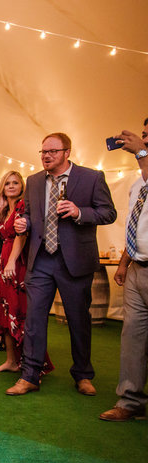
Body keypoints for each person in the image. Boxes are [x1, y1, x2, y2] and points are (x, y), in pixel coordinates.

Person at [6, 132, 116, 396]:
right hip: (41, 260)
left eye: (52, 152)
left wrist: (80, 212)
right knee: (33, 321)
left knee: (79, 321)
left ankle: (83, 375)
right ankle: (30, 375)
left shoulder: (91, 178)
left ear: (67, 152)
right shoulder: (33, 181)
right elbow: (31, 217)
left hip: (75, 262)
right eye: (43, 152)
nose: (46, 156)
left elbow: (108, 212)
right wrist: (24, 223)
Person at [100, 119, 148, 421]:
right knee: (133, 337)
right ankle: (130, 401)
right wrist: (124, 263)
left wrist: (141, 153)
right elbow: (136, 224)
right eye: (145, 135)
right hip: (137, 270)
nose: (145, 140)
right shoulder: (137, 184)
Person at [0, 172, 53, 374]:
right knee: (5, 312)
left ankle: (32, 363)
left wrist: (12, 262)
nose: (11, 186)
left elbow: (21, 237)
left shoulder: (24, 205)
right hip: (4, 262)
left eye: (15, 183)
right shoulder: (5, 210)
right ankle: (11, 361)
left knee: (20, 311)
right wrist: (2, 207)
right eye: (7, 183)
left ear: (22, 186)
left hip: (19, 262)